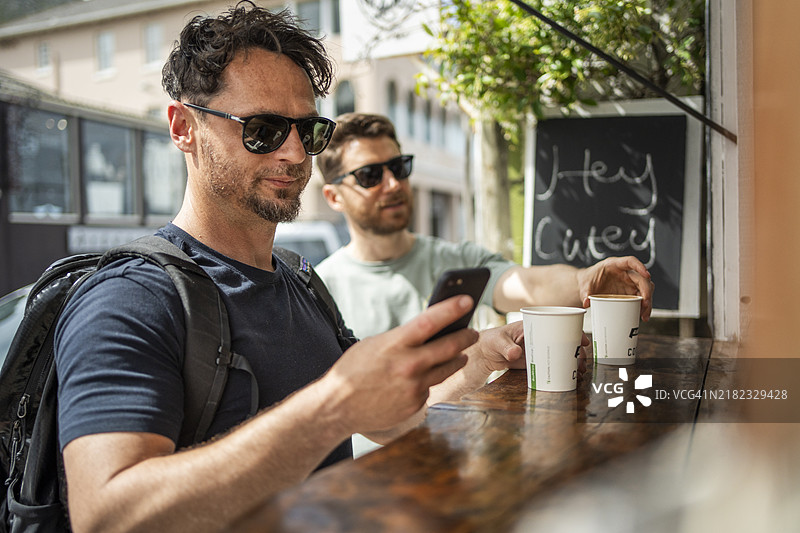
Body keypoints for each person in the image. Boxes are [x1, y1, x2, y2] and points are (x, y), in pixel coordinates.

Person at [53, 4, 526, 532]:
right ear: (183, 127)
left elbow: (386, 417)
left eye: (309, 130)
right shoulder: (130, 297)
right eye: (263, 129)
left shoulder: (301, 281)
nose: (296, 153)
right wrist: (332, 406)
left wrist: (485, 356)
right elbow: (105, 516)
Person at [315, 112, 655, 340]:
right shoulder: (318, 290)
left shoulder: (457, 261)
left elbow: (527, 285)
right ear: (333, 197)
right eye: (370, 175)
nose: (392, 184)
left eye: (399, 167)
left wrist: (585, 281)